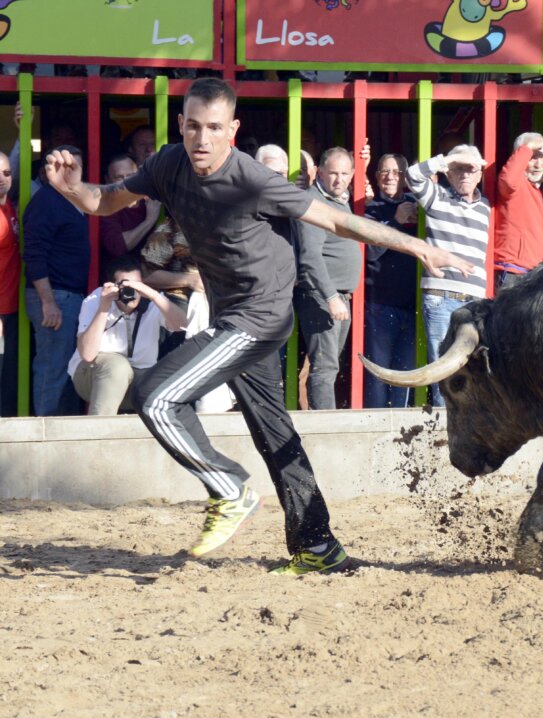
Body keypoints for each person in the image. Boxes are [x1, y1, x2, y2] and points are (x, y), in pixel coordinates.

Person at [42, 77, 473, 575]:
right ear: (181, 124)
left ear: (233, 129)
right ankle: (318, 547)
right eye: (194, 127)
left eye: (215, 128)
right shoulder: (168, 163)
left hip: (262, 315)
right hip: (232, 315)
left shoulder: (251, 178)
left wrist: (416, 246)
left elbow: (335, 221)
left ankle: (228, 488)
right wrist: (70, 186)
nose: (202, 140)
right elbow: (104, 202)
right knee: (274, 431)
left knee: (156, 397)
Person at [407, 144, 490, 407]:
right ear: (448, 174)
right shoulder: (437, 198)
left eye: (471, 169)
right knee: (441, 366)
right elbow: (412, 175)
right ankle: (444, 428)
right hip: (441, 298)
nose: (464, 174)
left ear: (480, 174)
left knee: (474, 368)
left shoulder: (487, 207)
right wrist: (449, 158)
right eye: (458, 170)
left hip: (475, 303)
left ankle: (468, 427)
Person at [69, 256, 186, 415]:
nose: (132, 291)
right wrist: (104, 307)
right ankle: (99, 434)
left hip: (138, 378)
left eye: (137, 285)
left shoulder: (152, 300)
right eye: (124, 284)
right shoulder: (97, 299)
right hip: (92, 376)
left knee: (166, 375)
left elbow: (182, 325)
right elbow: (88, 355)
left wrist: (154, 295)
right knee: (117, 366)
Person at [23, 144, 89, 416]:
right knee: (52, 368)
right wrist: (48, 302)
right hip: (55, 296)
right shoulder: (46, 201)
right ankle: (43, 433)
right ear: (50, 169)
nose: (68, 171)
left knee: (64, 368)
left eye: (74, 166)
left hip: (69, 295)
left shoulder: (76, 198)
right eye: (62, 165)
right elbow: (34, 254)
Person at [294, 146, 361, 410]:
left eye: (345, 173)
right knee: (324, 365)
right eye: (333, 173)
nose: (339, 179)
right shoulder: (313, 204)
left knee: (330, 364)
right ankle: (324, 426)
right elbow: (309, 257)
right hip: (321, 295)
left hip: (339, 295)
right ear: (318, 172)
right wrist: (331, 296)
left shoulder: (340, 200)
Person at [364, 153, 419, 409]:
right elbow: (369, 252)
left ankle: (401, 427)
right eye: (384, 172)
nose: (390, 177)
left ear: (405, 177)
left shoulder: (417, 206)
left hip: (413, 304)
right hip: (380, 304)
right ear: (376, 177)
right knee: (378, 371)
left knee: (406, 373)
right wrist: (396, 222)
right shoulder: (369, 209)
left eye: (396, 172)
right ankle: (375, 423)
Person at [494, 132, 543, 291]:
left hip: (532, 272)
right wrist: (526, 149)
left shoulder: (540, 188)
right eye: (532, 157)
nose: (538, 164)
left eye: (542, 157)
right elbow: (508, 179)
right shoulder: (515, 186)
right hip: (511, 271)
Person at [98, 154, 161, 276]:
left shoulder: (152, 201)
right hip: (121, 278)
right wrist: (149, 220)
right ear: (108, 180)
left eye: (131, 176)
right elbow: (117, 247)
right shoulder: (107, 207)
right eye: (119, 177)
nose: (126, 182)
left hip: (156, 274)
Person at [0, 151, 17, 415]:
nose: (2, 179)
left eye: (6, 173)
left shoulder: (8, 206)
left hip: (12, 307)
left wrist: (22, 131)